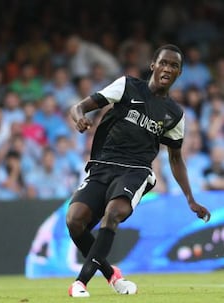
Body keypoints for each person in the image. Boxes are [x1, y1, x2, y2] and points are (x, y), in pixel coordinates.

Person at [65, 44, 211, 298]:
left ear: (179, 73)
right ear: (153, 65)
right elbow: (80, 107)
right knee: (75, 221)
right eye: (164, 62)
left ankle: (80, 282)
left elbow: (175, 159)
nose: (167, 68)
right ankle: (112, 275)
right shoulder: (126, 86)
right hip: (103, 165)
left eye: (174, 66)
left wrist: (190, 198)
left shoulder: (174, 114)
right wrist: (79, 117)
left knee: (113, 213)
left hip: (136, 170)